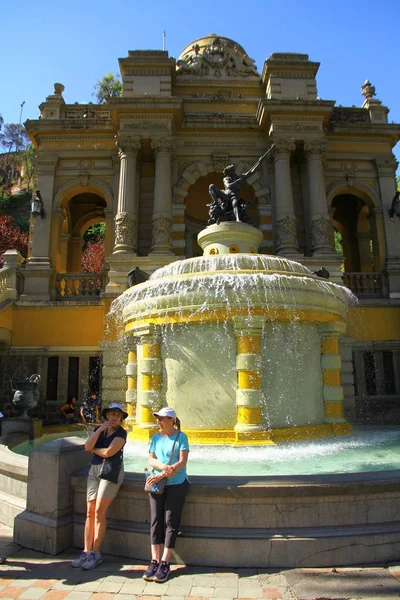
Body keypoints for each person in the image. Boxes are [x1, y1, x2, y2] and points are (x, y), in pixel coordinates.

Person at [71, 402, 127, 570]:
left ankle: (97, 552)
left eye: (117, 415)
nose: (114, 417)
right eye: (111, 414)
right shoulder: (99, 430)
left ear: (121, 418)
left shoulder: (121, 433)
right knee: (89, 512)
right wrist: (101, 430)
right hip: (94, 471)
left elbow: (108, 453)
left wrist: (94, 449)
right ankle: (86, 551)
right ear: (107, 416)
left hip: (110, 472)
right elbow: (86, 446)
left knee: (99, 512)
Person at [143, 407, 190, 583]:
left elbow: (182, 462)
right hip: (157, 483)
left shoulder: (181, 437)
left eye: (162, 418)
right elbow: (151, 459)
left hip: (176, 484)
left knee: (171, 521)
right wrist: (163, 469)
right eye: (158, 418)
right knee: (156, 520)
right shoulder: (155, 437)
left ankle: (165, 561)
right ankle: (154, 560)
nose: (159, 421)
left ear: (171, 419)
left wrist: (163, 474)